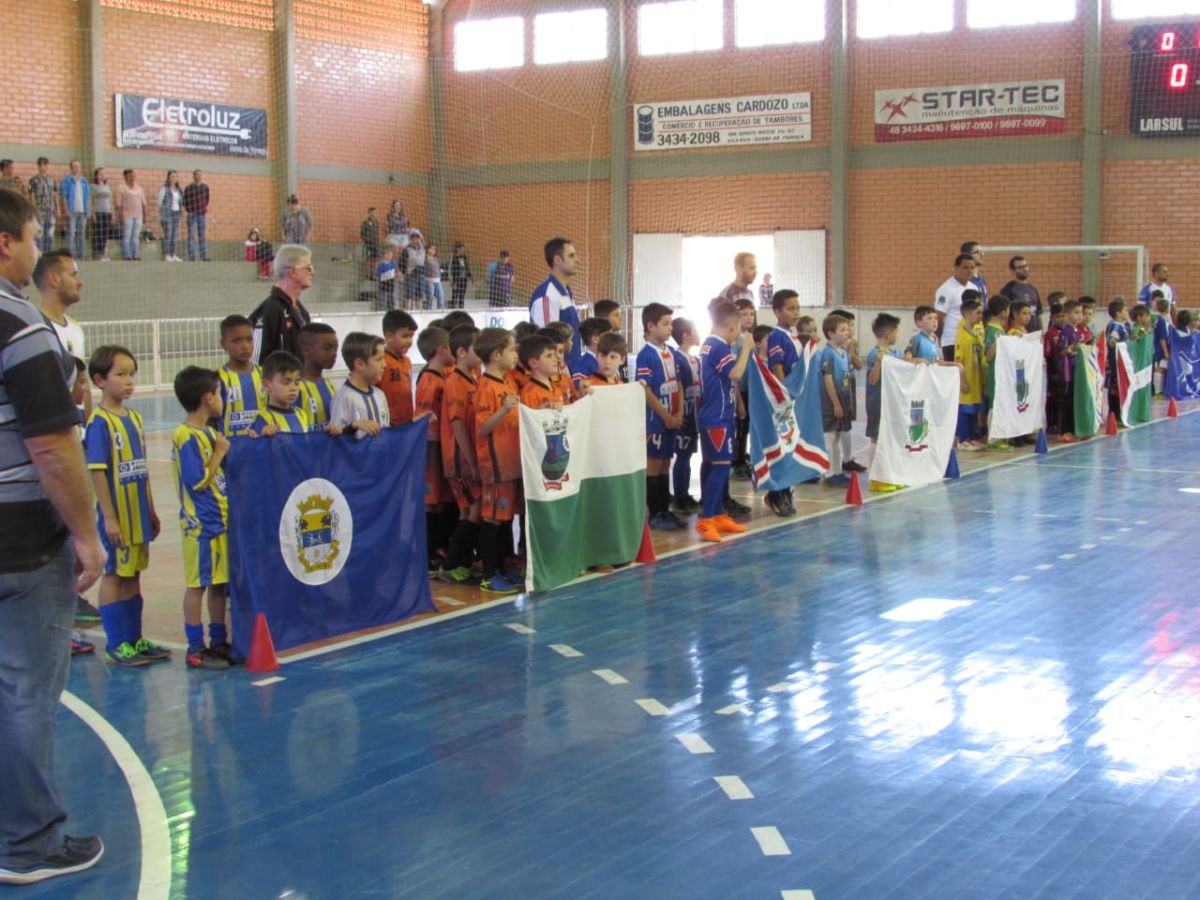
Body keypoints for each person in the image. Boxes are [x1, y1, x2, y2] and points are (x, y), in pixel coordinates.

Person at [0, 188, 107, 885]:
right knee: (26, 691)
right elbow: (52, 445)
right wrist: (88, 534)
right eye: (35, 235)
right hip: (21, 539)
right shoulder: (20, 325)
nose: (41, 249)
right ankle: (28, 842)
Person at [85, 345, 167, 667]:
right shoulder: (100, 422)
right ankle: (116, 642)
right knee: (114, 575)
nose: (129, 380)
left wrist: (150, 508)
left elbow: (141, 468)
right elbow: (98, 472)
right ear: (100, 380)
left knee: (133, 575)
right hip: (117, 517)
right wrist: (108, 517)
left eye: (132, 374)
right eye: (120, 374)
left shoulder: (134, 417)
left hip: (138, 516)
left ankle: (134, 637)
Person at [170, 367, 233, 670]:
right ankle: (195, 647)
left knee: (219, 584)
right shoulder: (186, 436)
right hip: (200, 526)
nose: (222, 399)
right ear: (208, 398)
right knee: (198, 585)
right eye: (219, 394)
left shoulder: (209, 432)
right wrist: (219, 453)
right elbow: (197, 480)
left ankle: (219, 641)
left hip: (219, 522)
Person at [695, 300, 754, 543]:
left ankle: (717, 514)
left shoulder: (711, 343)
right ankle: (706, 519)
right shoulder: (718, 345)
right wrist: (747, 349)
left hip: (718, 413)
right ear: (731, 327)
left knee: (713, 464)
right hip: (715, 416)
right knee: (719, 466)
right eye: (739, 329)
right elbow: (735, 373)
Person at [473, 328, 522, 594]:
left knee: (503, 518)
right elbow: (482, 428)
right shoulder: (486, 388)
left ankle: (502, 568)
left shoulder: (506, 382)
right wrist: (504, 409)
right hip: (494, 464)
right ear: (496, 355)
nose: (516, 354)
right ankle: (489, 574)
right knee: (491, 519)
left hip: (509, 462)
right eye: (512, 350)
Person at [438, 325, 483, 584]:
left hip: (468, 459)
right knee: (473, 510)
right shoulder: (455, 382)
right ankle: (451, 564)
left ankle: (462, 562)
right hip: (459, 460)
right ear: (462, 351)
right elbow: (457, 424)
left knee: (469, 510)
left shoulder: (474, 377)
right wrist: (471, 461)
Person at [637, 303, 684, 530]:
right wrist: (665, 415)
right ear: (650, 326)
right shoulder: (645, 355)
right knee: (653, 465)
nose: (670, 328)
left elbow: (679, 384)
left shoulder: (672, 352)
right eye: (665, 324)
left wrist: (679, 413)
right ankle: (654, 512)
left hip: (671, 420)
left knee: (666, 463)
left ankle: (665, 510)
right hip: (655, 421)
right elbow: (645, 391)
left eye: (671, 323)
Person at [34, 250, 91, 428]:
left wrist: (89, 430)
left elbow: (83, 386)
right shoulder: (33, 329)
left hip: (76, 433)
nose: (80, 283)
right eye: (74, 275)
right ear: (54, 279)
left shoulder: (75, 328)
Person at [416, 326, 454, 570]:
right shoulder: (429, 380)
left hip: (442, 445)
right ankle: (427, 553)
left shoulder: (442, 377)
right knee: (431, 501)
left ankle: (439, 547)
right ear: (442, 350)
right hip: (431, 447)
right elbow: (422, 415)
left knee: (442, 499)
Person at [763, 289, 803, 516]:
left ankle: (787, 488)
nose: (796, 312)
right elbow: (778, 367)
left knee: (791, 446)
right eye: (791, 308)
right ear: (778, 311)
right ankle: (776, 492)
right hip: (783, 402)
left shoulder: (793, 335)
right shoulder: (777, 336)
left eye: (798, 307)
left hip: (794, 399)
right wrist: (784, 395)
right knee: (782, 446)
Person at [250, 244, 313, 362]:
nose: (313, 273)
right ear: (293, 272)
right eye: (308, 268)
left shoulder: (302, 312)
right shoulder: (270, 310)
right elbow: (256, 360)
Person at [530, 237, 584, 368]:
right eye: (571, 256)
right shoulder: (547, 296)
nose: (578, 260)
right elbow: (546, 341)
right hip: (558, 375)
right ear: (557, 260)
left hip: (571, 372)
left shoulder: (565, 293)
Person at [864, 313, 903, 490]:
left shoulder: (895, 351)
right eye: (896, 332)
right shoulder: (874, 354)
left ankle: (888, 473)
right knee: (876, 437)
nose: (897, 336)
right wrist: (879, 363)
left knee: (890, 437)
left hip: (892, 400)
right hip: (877, 400)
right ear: (888, 333)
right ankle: (874, 475)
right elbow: (872, 380)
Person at [330, 333, 388, 438]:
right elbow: (336, 438)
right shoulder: (343, 397)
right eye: (379, 359)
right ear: (360, 364)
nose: (385, 364)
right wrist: (353, 426)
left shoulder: (380, 395)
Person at [820, 316, 855, 487]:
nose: (847, 332)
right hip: (831, 404)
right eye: (842, 330)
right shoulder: (827, 353)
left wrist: (848, 403)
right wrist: (836, 403)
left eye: (847, 329)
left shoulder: (845, 353)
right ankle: (827, 473)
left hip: (843, 401)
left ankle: (837, 471)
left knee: (838, 437)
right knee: (830, 437)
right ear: (830, 334)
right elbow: (828, 380)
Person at [671, 318, 701, 514]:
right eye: (695, 329)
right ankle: (679, 496)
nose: (699, 333)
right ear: (685, 336)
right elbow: (677, 387)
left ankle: (685, 493)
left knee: (688, 456)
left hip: (696, 416)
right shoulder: (676, 358)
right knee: (682, 456)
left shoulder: (695, 359)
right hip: (684, 416)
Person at [216, 314, 264, 437]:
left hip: (263, 449)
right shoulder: (217, 379)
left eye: (249, 339)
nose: (245, 346)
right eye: (237, 341)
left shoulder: (265, 375)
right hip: (231, 451)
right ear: (223, 344)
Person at [249, 352, 310, 436]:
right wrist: (262, 434)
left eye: (297, 383)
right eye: (286, 382)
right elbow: (253, 446)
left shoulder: (301, 414)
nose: (293, 388)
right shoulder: (263, 417)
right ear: (266, 385)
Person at [296, 323, 340, 433]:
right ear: (306, 350)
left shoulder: (330, 385)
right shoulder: (295, 388)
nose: (334, 354)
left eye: (336, 348)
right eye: (327, 348)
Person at [955, 296, 986, 450]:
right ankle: (963, 439)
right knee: (965, 408)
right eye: (978, 313)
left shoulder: (976, 332)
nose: (981, 316)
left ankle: (971, 437)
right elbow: (958, 359)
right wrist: (963, 380)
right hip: (967, 377)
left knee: (973, 408)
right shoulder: (961, 335)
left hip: (976, 377)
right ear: (967, 314)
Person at [934, 253, 977, 361]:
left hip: (971, 339)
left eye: (972, 267)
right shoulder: (946, 289)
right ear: (956, 268)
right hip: (952, 341)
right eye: (965, 267)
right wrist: (941, 338)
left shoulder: (974, 288)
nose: (970, 270)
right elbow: (938, 318)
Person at [1054, 300, 1086, 443]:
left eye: (1081, 313)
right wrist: (1074, 348)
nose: (1080, 316)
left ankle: (1074, 429)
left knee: (1074, 401)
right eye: (1076, 312)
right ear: (1067, 314)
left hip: (1076, 372)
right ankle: (1063, 431)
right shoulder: (1065, 332)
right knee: (1066, 402)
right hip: (1067, 373)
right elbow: (1061, 351)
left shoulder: (1077, 331)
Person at [984, 295, 1012, 451]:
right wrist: (996, 342)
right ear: (1003, 310)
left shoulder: (1000, 329)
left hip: (1002, 373)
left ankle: (1000, 436)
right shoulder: (991, 330)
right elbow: (988, 356)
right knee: (994, 405)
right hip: (994, 374)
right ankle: (993, 439)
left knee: (1000, 403)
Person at [381, 310, 418, 425]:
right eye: (405, 336)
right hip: (388, 425)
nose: (409, 341)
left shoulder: (407, 361)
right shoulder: (381, 362)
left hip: (406, 421)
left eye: (411, 336)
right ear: (389, 336)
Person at [519, 333, 565, 411]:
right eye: (549, 356)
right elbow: (530, 421)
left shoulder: (556, 389)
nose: (555, 359)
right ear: (533, 363)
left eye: (554, 354)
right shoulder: (530, 393)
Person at [1000, 255, 1043, 331]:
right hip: (1017, 335)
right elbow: (1004, 316)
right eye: (1020, 267)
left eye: (1026, 266)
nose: (1025, 269)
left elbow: (1038, 314)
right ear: (1012, 271)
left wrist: (1041, 333)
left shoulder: (1033, 289)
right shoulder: (1007, 290)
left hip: (1033, 335)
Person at [1106, 297, 1132, 418]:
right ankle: (1114, 414)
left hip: (1123, 362)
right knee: (1115, 387)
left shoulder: (1124, 326)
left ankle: (1119, 412)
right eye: (1125, 310)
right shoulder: (1116, 326)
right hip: (1116, 362)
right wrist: (1118, 344)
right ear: (1118, 313)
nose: (1127, 312)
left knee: (1120, 386)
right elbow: (1112, 341)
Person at [59, 161, 89, 260]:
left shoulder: (84, 181)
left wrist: (88, 209)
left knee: (82, 233)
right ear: (71, 168)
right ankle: (70, 255)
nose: (76, 168)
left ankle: (81, 255)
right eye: (74, 166)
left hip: (82, 210)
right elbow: (63, 196)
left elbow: (87, 196)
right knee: (71, 233)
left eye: (78, 166)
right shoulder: (67, 180)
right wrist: (66, 209)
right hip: (72, 210)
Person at [114, 169, 146, 261]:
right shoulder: (121, 188)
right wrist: (120, 215)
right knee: (127, 235)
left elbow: (144, 203)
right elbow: (118, 203)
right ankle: (127, 255)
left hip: (138, 215)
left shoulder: (139, 188)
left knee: (136, 236)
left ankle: (135, 255)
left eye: (133, 176)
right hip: (127, 215)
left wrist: (145, 215)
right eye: (130, 176)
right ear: (125, 177)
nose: (132, 178)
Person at [28, 158, 58, 254]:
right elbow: (31, 195)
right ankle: (37, 253)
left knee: (49, 234)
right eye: (41, 165)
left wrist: (58, 209)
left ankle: (47, 253)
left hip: (51, 210)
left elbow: (55, 195)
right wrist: (34, 208)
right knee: (38, 233)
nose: (44, 167)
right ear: (38, 166)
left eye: (46, 164)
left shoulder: (52, 179)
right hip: (39, 210)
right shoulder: (33, 180)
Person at [573, 317, 610, 392]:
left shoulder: (609, 360)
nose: (612, 340)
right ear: (596, 339)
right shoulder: (582, 364)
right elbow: (577, 386)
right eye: (608, 336)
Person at [182, 170, 210, 262]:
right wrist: (190, 210)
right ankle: (191, 256)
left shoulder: (205, 187)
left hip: (201, 214)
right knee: (191, 235)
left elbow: (207, 200)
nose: (199, 176)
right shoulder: (189, 188)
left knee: (202, 236)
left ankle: (203, 256)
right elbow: (184, 201)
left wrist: (202, 209)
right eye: (197, 175)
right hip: (192, 214)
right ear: (193, 176)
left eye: (200, 175)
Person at [157, 170, 183, 262]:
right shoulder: (164, 189)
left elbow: (180, 202)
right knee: (168, 234)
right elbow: (160, 202)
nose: (174, 178)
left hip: (177, 213)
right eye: (172, 176)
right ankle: (167, 254)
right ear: (168, 178)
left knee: (175, 235)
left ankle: (173, 254)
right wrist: (163, 213)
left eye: (175, 176)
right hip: (168, 214)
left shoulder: (179, 190)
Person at [90, 168, 113, 261]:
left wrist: (112, 212)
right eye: (100, 174)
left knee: (104, 233)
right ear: (96, 175)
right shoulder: (92, 186)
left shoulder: (107, 186)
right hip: (98, 211)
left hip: (107, 211)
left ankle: (103, 253)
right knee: (98, 233)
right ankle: (96, 253)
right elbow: (90, 200)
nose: (102, 175)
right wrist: (92, 213)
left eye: (104, 174)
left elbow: (110, 200)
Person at [1153, 294, 1172, 395]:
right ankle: (1158, 391)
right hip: (1161, 349)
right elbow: (1162, 337)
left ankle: (1159, 390)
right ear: (1167, 308)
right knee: (1160, 368)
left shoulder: (1157, 319)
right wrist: (1166, 352)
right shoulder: (1162, 321)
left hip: (1157, 348)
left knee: (1160, 367)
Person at [403, 230, 426, 309]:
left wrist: (420, 235)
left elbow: (424, 241)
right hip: (411, 274)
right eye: (414, 238)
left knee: (420, 296)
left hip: (421, 274)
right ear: (411, 239)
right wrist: (407, 271)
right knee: (409, 296)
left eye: (417, 238)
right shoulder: (407, 249)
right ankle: (408, 312)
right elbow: (402, 262)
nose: (416, 240)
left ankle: (420, 312)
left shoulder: (422, 248)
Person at [961, 241, 989, 305]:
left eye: (982, 252)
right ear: (968, 255)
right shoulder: (965, 281)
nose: (981, 254)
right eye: (978, 252)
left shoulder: (981, 278)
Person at [449, 242, 472, 308]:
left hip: (463, 279)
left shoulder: (464, 257)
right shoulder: (453, 257)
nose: (463, 251)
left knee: (462, 296)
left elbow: (467, 268)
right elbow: (452, 269)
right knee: (455, 295)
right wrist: (453, 281)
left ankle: (461, 309)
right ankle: (452, 310)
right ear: (457, 249)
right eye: (461, 249)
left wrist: (470, 276)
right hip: (456, 280)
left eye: (463, 249)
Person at [375, 246, 398, 311]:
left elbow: (396, 272)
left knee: (391, 299)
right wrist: (385, 275)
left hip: (391, 285)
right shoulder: (380, 264)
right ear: (384, 255)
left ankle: (392, 310)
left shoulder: (393, 263)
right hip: (382, 285)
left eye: (391, 255)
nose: (390, 256)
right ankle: (380, 310)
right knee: (383, 299)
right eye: (388, 254)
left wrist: (395, 275)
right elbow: (377, 274)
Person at [424, 245, 445, 310]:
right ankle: (428, 311)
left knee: (441, 297)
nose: (433, 250)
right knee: (430, 298)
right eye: (432, 249)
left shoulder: (435, 259)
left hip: (437, 280)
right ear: (428, 249)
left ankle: (439, 311)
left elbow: (438, 268)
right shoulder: (425, 259)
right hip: (429, 281)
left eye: (434, 249)